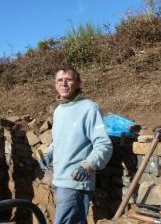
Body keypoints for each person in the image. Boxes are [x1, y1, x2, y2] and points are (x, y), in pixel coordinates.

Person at [39, 67, 113, 224]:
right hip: (59, 179)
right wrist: (49, 153)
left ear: (78, 83)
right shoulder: (59, 110)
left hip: (76, 180)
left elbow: (104, 143)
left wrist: (88, 165)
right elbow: (59, 140)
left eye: (69, 80)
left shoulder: (89, 108)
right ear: (55, 84)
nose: (63, 83)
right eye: (59, 80)